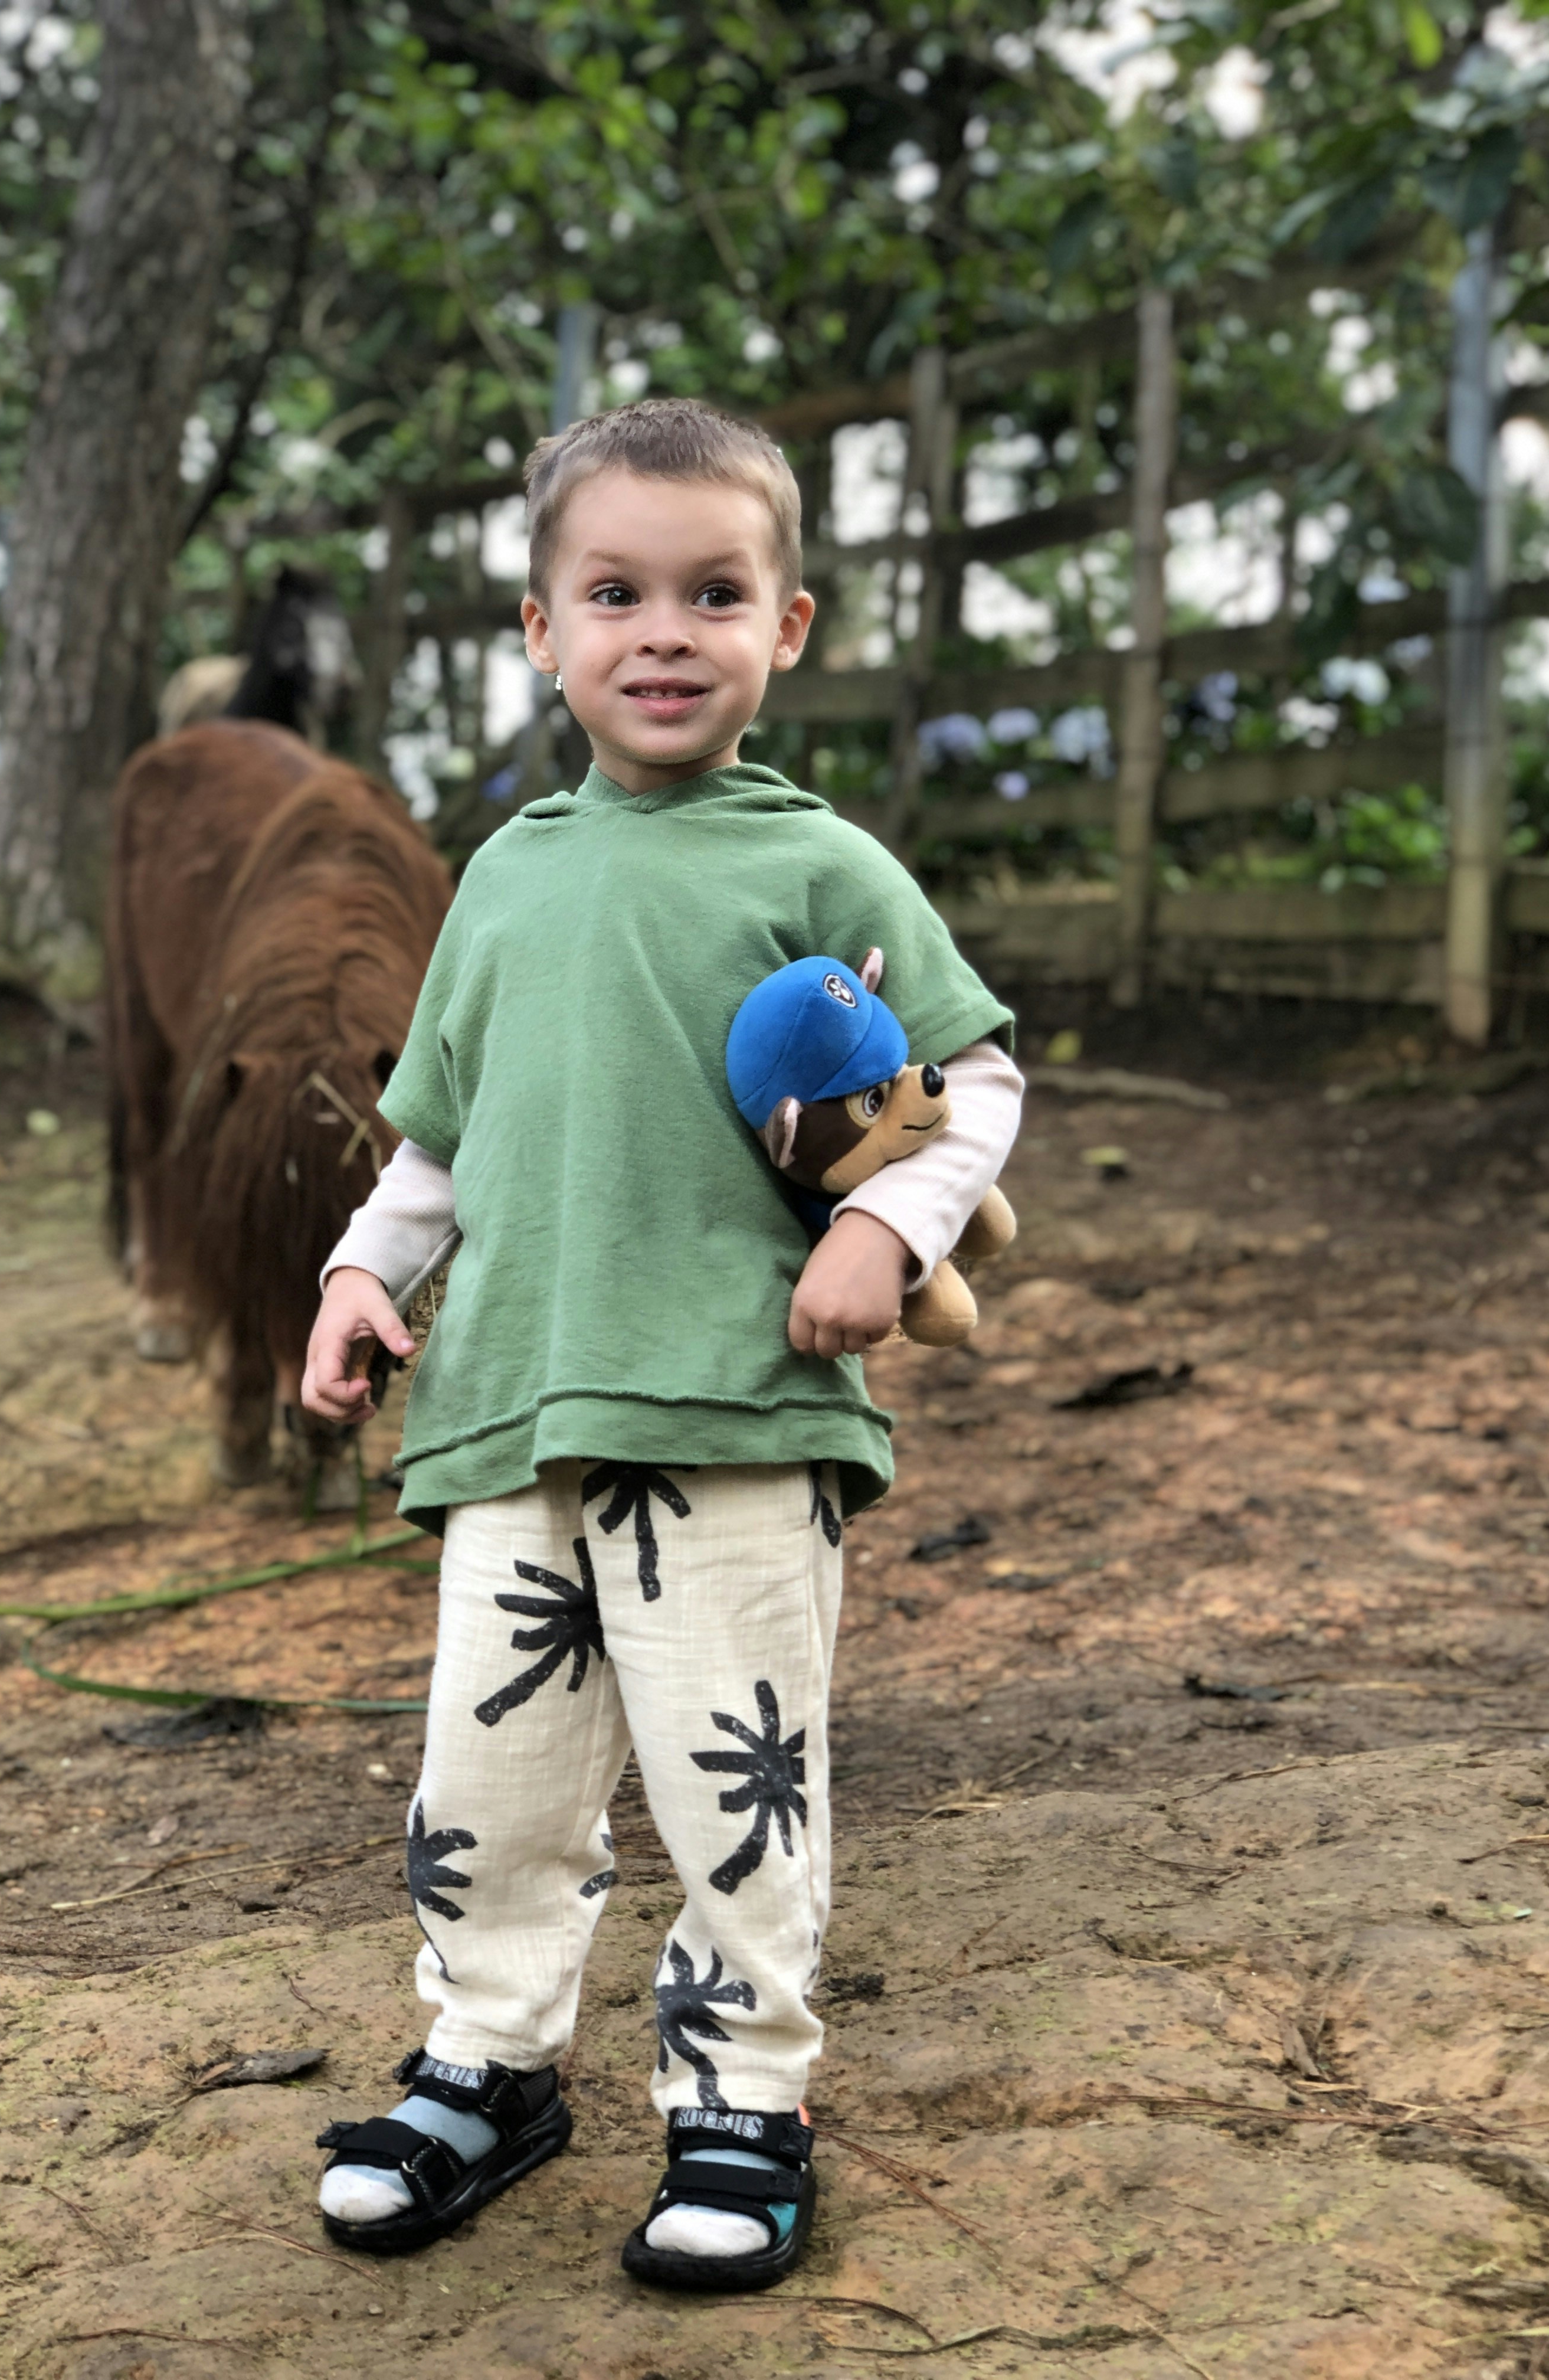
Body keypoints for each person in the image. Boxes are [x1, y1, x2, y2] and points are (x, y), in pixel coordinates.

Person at [300, 397, 1023, 2290]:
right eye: (614, 592)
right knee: (488, 1781)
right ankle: (488, 2064)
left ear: (788, 629)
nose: (664, 632)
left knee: (735, 1782)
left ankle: (741, 2102)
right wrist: (361, 1280)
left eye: (716, 593)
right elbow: (441, 1139)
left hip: (739, 1410)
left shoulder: (826, 866)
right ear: (542, 632)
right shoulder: (507, 880)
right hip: (510, 1419)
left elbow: (979, 1080)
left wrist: (884, 1224)